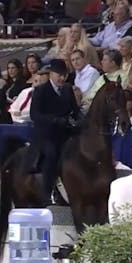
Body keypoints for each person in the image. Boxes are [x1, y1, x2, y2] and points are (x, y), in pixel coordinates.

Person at [30, 58, 80, 205]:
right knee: (51, 154)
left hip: (65, 132)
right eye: (59, 74)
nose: (62, 78)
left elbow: (75, 111)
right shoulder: (41, 91)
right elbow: (35, 115)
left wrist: (83, 121)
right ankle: (47, 191)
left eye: (64, 75)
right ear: (51, 74)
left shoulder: (67, 89)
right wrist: (54, 120)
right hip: (46, 134)